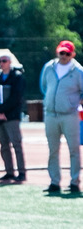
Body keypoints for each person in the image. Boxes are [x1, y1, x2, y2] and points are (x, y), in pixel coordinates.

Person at [39, 40, 83, 195]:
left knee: (74, 150)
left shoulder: (78, 71)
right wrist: (52, 101)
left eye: (67, 53)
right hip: (51, 114)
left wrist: (72, 103)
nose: (64, 56)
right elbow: (44, 86)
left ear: (73, 54)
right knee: (53, 150)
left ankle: (74, 182)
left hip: (70, 115)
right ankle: (54, 181)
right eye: (61, 52)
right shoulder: (49, 67)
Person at [0, 54, 26, 183]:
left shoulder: (17, 77)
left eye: (4, 61)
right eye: (0, 61)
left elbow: (16, 97)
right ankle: (9, 171)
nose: (2, 63)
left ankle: (21, 172)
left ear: (9, 62)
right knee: (4, 146)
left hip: (12, 116)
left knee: (16, 145)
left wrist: (2, 110)